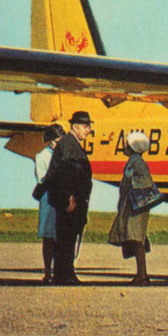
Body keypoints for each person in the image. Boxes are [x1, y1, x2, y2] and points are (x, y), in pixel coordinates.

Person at [42, 111, 94, 285]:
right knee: (66, 237)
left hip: (73, 200)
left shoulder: (70, 143)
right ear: (75, 127)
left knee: (68, 237)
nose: (88, 130)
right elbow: (63, 174)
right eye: (85, 126)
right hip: (69, 201)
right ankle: (64, 275)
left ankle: (65, 273)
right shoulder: (68, 144)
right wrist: (68, 198)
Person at [109, 131, 154, 286]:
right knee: (135, 239)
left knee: (136, 239)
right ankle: (141, 274)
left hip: (136, 206)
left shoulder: (137, 163)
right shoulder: (134, 161)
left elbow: (145, 184)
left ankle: (142, 275)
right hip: (133, 206)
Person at [33, 124, 65, 284]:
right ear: (50, 140)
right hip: (49, 199)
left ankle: (59, 271)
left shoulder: (64, 155)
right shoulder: (42, 156)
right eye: (57, 141)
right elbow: (42, 179)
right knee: (48, 237)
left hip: (62, 198)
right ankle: (47, 271)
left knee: (61, 237)